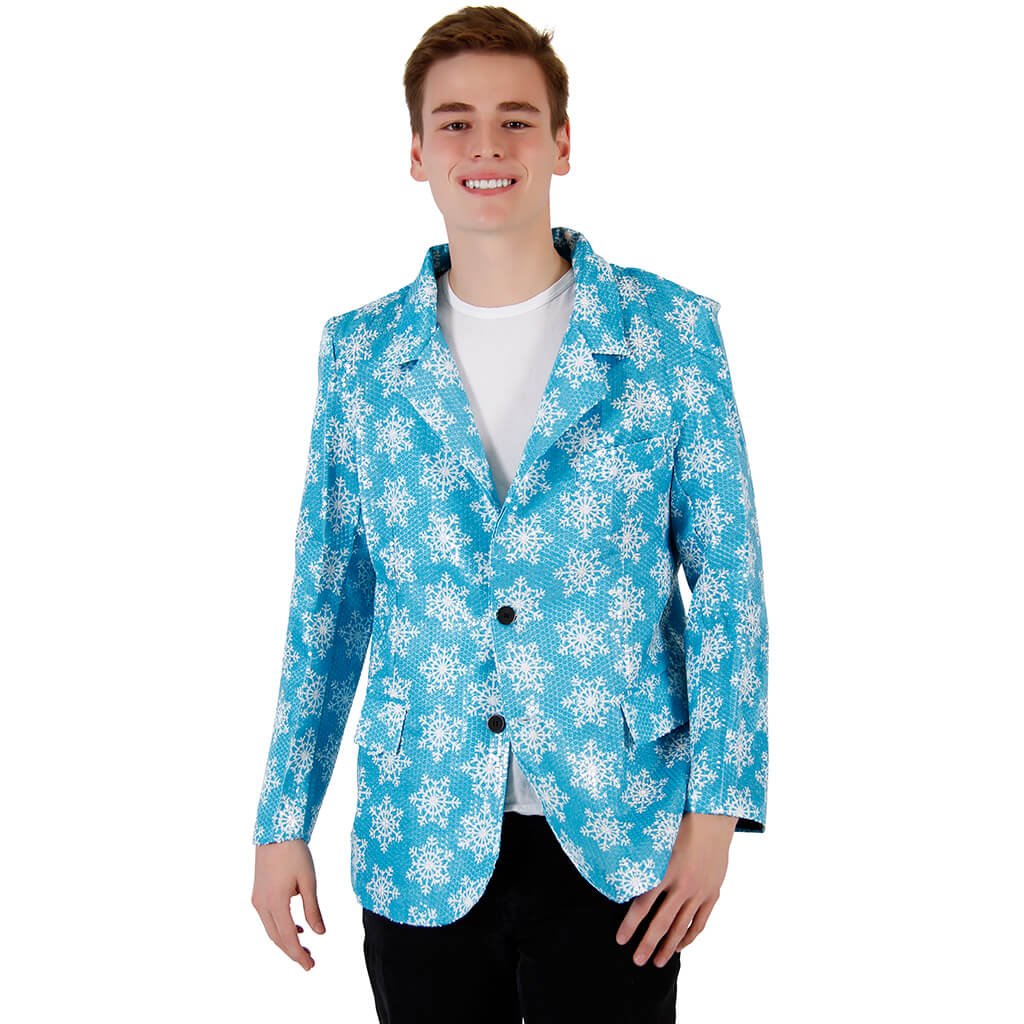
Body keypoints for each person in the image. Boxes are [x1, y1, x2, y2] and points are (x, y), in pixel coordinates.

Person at [251, 6, 769, 1022]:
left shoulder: (670, 334)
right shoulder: (361, 354)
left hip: (622, 829)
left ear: (562, 143)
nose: (485, 146)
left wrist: (717, 814)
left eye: (515, 120)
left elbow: (728, 584)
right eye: (454, 122)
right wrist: (282, 818)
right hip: (420, 823)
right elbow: (329, 602)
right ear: (416, 153)